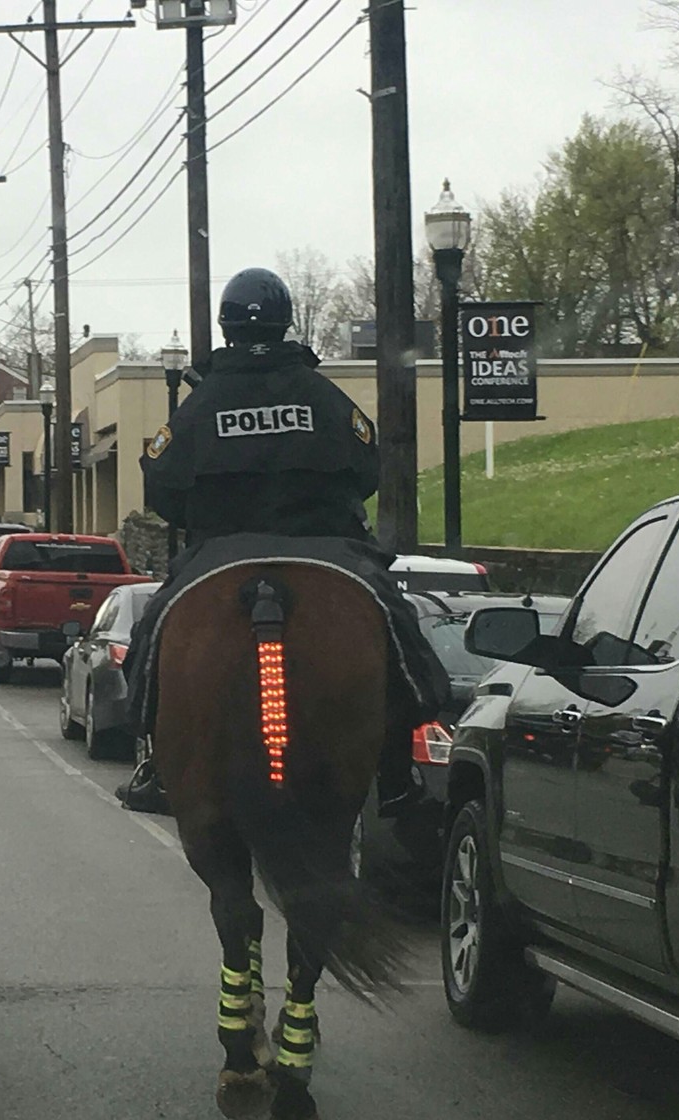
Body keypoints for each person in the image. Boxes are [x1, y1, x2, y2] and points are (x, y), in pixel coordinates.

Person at [116, 266, 444, 812]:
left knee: (154, 632)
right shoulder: (323, 395)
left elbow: (164, 488)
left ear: (226, 328)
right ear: (285, 323)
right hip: (329, 548)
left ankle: (156, 761)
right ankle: (397, 767)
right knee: (395, 623)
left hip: (218, 550)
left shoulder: (199, 405)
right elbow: (368, 469)